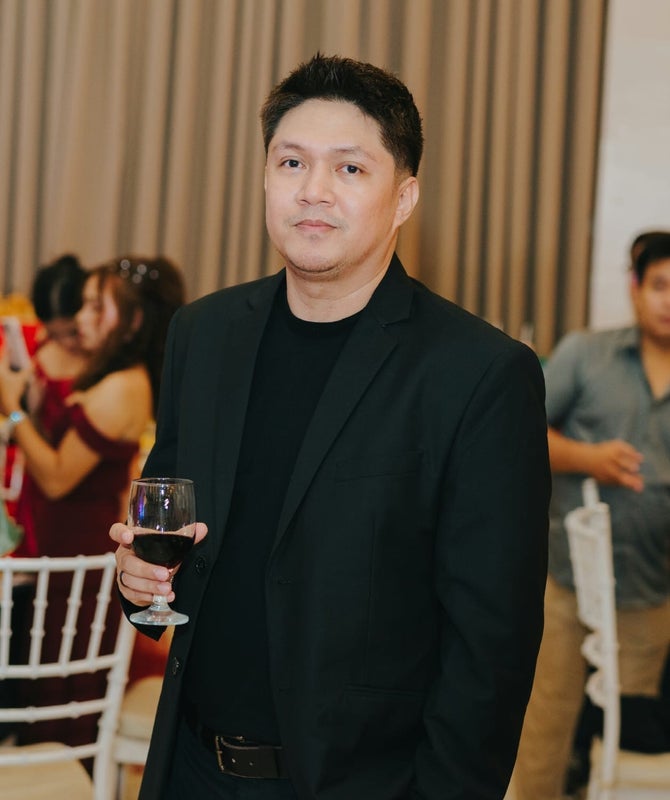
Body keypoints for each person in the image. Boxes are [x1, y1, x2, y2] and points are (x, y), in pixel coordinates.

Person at [111, 54, 550, 800]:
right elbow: (167, 519)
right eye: (291, 162)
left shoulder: (478, 373)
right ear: (264, 178)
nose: (313, 190)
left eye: (350, 169)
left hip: (362, 783)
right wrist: (138, 579)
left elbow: (491, 648)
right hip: (191, 768)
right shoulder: (204, 334)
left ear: (403, 197)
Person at [0, 254, 185, 753]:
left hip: (80, 552)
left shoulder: (124, 386)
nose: (81, 318)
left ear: (133, 321)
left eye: (95, 307)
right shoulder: (102, 373)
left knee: (65, 690)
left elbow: (58, 477)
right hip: (55, 543)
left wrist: (14, 411)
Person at [513, 231, 670, 800]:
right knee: (545, 728)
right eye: (660, 285)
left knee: (626, 740)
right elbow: (521, 433)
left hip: (650, 591)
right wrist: (590, 459)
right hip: (566, 582)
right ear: (635, 289)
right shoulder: (586, 353)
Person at [10, 253, 88, 557]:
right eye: (54, 334)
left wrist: (13, 410)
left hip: (82, 497)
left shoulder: (103, 365)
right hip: (38, 486)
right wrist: (30, 408)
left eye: (72, 332)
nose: (66, 343)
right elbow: (36, 435)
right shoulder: (39, 351)